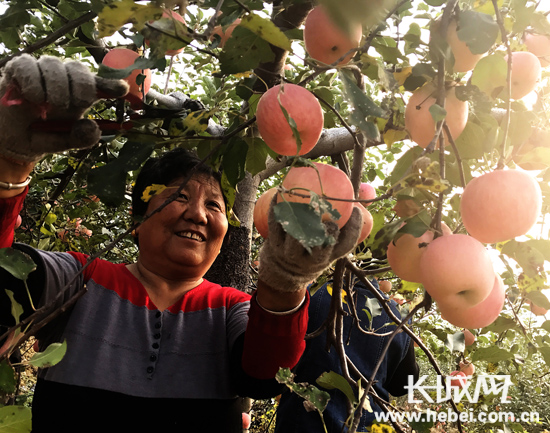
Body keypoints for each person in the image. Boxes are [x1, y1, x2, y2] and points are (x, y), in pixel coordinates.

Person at [0, 54, 363, 432]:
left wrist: (284, 282)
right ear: (137, 222)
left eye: (213, 205)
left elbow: (266, 374)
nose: (198, 215)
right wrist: (10, 164)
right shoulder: (80, 278)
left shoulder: (229, 309)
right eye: (178, 197)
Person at [275, 278, 419, 432]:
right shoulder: (396, 315)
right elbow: (402, 385)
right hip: (365, 425)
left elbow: (276, 360)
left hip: (300, 423)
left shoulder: (307, 295)